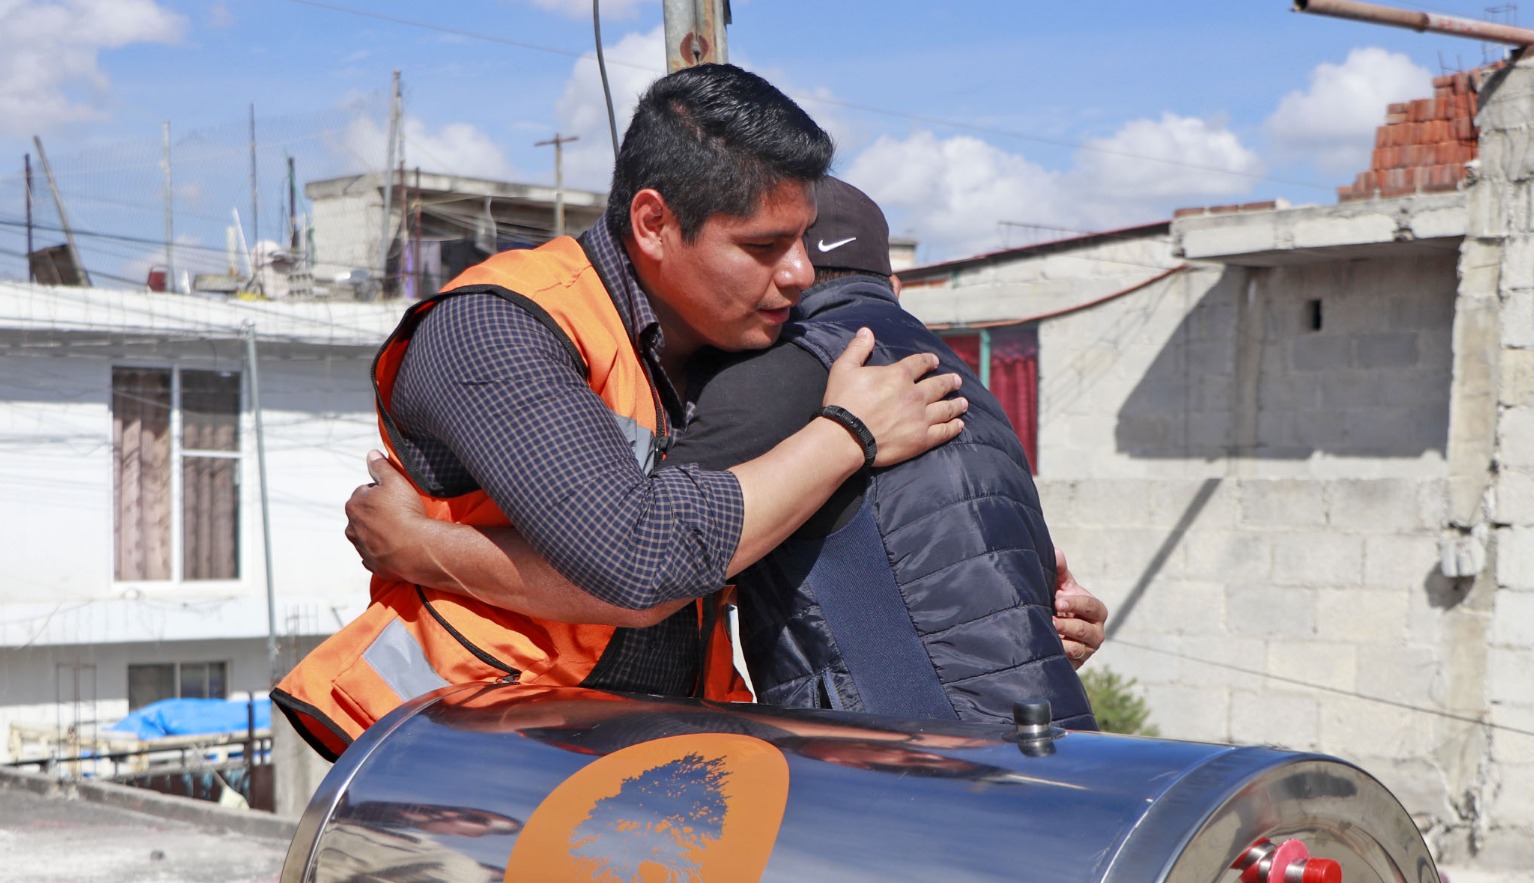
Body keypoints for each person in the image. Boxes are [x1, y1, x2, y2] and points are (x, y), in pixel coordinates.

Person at [272, 64, 967, 760]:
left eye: (803, 239)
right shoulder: (497, 327)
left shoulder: (736, 339)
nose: (800, 274)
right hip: (463, 760)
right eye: (763, 246)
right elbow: (641, 562)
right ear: (654, 223)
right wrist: (848, 435)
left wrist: (1040, 592)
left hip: (638, 765)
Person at [349, 179, 1105, 729]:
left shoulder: (783, 374)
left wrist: (415, 544)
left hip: (905, 758)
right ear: (895, 284)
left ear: (793, 280)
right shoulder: (971, 378)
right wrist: (1046, 628)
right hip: (1042, 742)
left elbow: (644, 569)